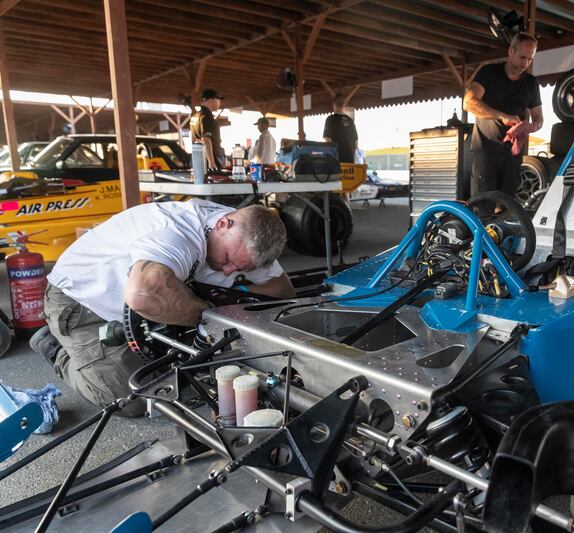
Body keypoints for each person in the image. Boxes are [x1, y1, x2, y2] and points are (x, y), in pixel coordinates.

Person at [30, 200, 296, 417]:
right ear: (222, 224)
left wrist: (240, 296)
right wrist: (213, 314)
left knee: (180, 380)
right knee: (134, 400)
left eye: (241, 268)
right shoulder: (176, 233)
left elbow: (283, 291)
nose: (229, 270)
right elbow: (143, 295)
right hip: (84, 303)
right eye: (227, 259)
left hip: (142, 311)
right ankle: (57, 349)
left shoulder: (249, 239)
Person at [463, 32, 543, 198]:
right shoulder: (489, 72)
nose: (525, 63)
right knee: (482, 207)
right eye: (522, 57)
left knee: (507, 209)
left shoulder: (531, 83)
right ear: (510, 51)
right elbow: (468, 102)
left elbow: (539, 119)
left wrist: (531, 126)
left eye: (530, 59)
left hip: (513, 156)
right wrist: (502, 116)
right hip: (485, 152)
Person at [190, 89, 226, 171]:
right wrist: (211, 162)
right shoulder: (206, 117)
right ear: (211, 100)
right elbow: (206, 139)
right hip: (209, 161)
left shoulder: (195, 116)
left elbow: (194, 139)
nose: (219, 102)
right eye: (218, 99)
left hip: (198, 159)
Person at [323, 93, 358, 164]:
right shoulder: (351, 121)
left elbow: (328, 141)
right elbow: (356, 143)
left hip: (336, 162)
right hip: (350, 162)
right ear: (345, 106)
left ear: (334, 105)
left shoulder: (330, 119)